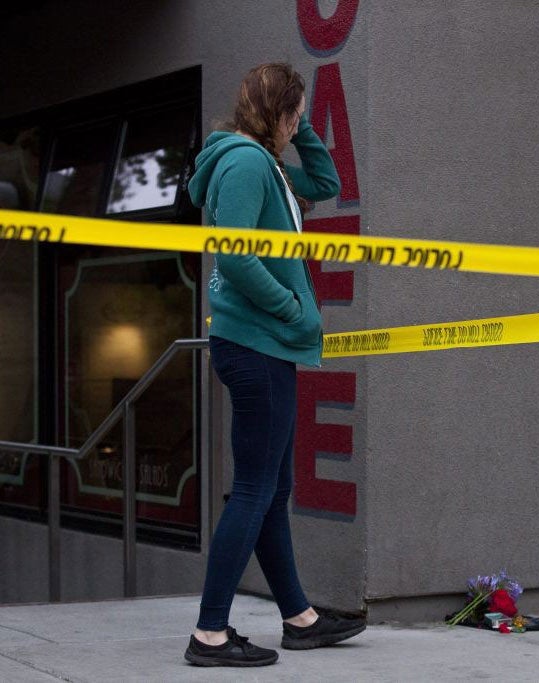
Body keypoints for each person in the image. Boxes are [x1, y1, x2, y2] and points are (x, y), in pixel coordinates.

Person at [183, 62, 365, 667]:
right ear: (276, 113)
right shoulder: (243, 163)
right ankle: (210, 633)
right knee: (256, 489)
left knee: (272, 486)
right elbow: (234, 258)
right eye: (295, 114)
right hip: (258, 343)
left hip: (270, 345)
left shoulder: (267, 164)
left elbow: (325, 179)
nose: (298, 125)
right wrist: (294, 309)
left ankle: (300, 618)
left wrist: (303, 125)